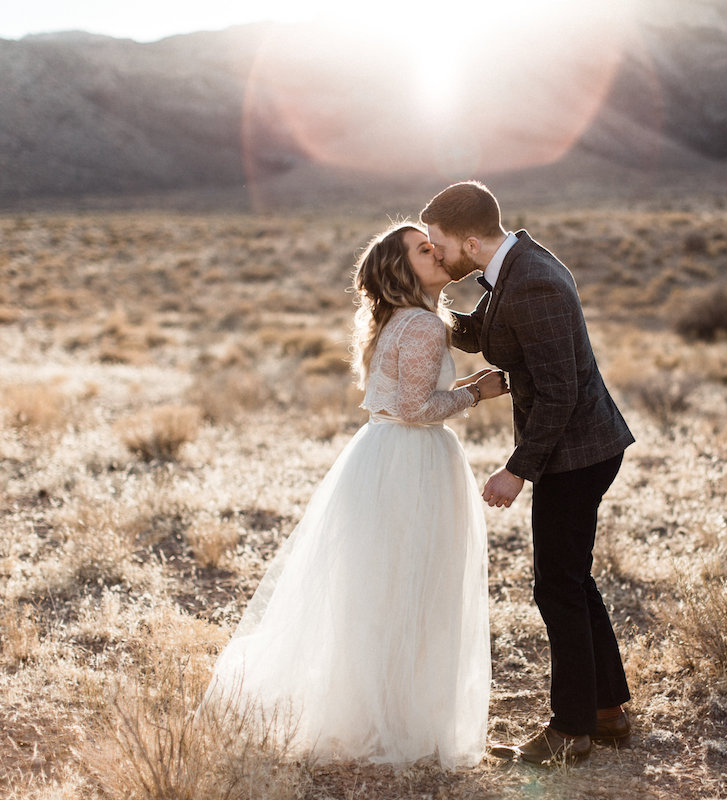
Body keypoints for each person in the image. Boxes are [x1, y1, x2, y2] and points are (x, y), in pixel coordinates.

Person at [203, 222, 509, 769]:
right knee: (413, 586)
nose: (436, 252)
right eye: (423, 250)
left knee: (379, 587)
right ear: (401, 269)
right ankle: (401, 724)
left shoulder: (395, 321)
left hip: (383, 455)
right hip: (412, 461)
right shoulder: (420, 326)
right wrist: (475, 392)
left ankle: (373, 713)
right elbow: (416, 408)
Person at [420, 181, 635, 765]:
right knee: (574, 580)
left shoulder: (531, 280)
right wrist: (422, 305)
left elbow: (560, 393)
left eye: (439, 246)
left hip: (578, 451)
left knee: (556, 586)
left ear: (469, 240)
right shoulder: (510, 267)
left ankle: (571, 731)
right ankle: (607, 710)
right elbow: (479, 335)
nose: (437, 255)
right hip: (578, 447)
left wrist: (516, 470)